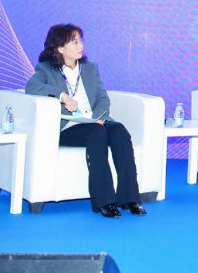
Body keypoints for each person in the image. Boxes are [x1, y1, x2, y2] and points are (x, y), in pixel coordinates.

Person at [25, 24, 146, 217]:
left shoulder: (90, 68)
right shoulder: (46, 69)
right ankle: (105, 201)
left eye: (80, 41)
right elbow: (32, 87)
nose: (80, 46)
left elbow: (103, 98)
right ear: (60, 48)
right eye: (74, 42)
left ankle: (130, 198)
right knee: (96, 131)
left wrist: (96, 118)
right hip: (68, 128)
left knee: (119, 130)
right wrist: (62, 96)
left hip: (94, 121)